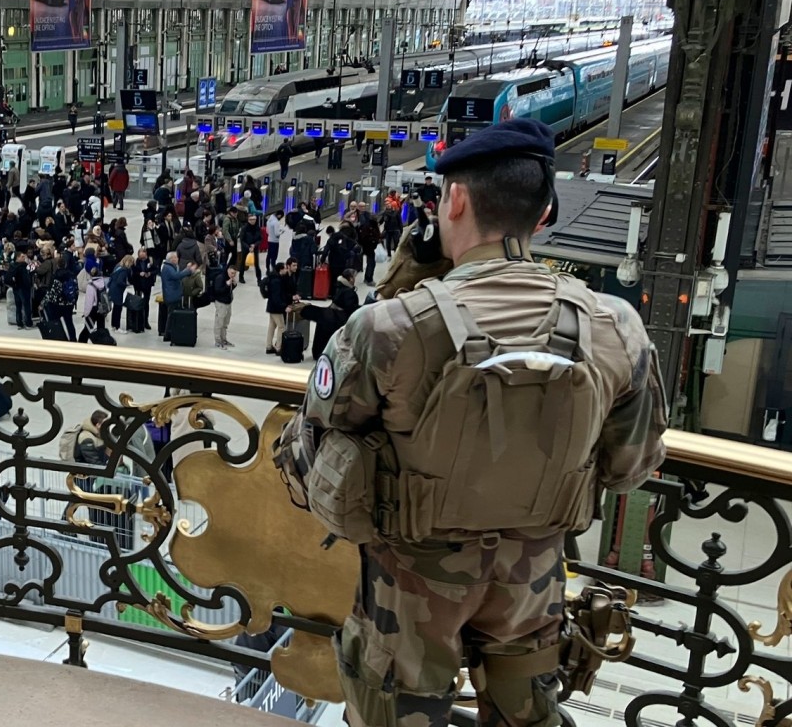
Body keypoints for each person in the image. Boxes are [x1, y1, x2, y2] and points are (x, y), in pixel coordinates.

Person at [273, 118, 668, 724]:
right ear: (542, 217)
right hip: (532, 583)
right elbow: (630, 466)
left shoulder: (389, 328)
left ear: (454, 200)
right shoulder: (616, 325)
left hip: (407, 592)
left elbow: (308, 454)